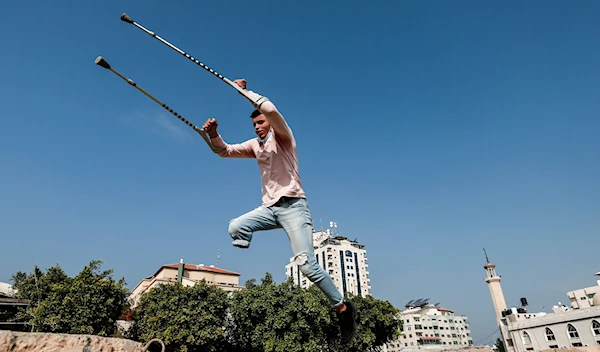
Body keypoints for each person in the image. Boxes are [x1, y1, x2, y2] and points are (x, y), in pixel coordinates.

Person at [201, 78, 356, 343]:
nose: (258, 127)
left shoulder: (284, 138)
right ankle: (246, 246)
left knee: (306, 265)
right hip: (270, 209)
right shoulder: (255, 146)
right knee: (236, 226)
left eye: (261, 123)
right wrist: (213, 134)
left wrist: (244, 92)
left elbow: (270, 108)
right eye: (254, 125)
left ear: (271, 124)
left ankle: (342, 307)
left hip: (294, 207)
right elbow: (224, 152)